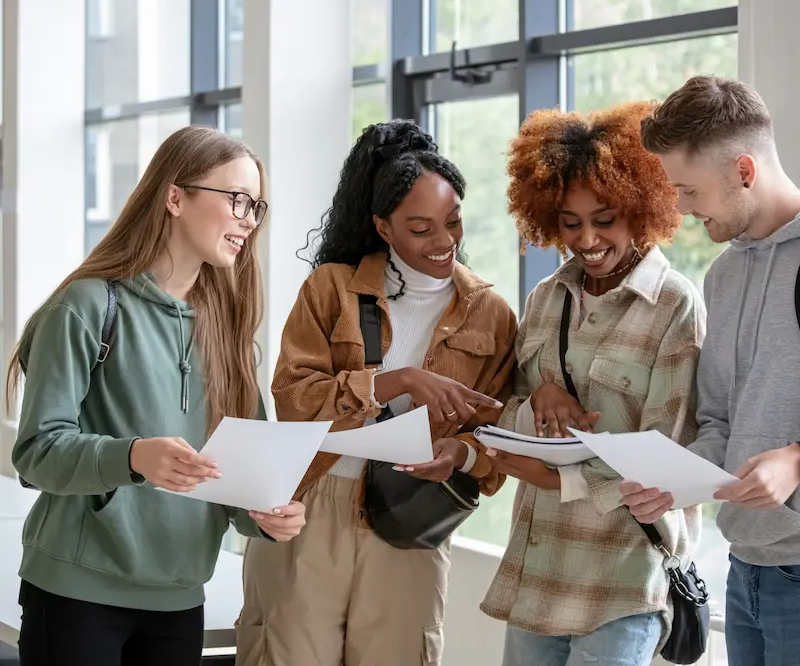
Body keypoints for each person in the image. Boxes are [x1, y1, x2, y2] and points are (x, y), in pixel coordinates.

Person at [7, 126, 306, 666]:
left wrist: (263, 513)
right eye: (236, 199)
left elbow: (238, 473)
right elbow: (36, 454)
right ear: (175, 198)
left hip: (179, 600)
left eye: (256, 206)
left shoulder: (227, 330)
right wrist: (133, 457)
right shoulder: (86, 306)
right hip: (75, 594)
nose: (248, 219)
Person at [235, 119, 517, 666]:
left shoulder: (492, 314)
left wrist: (460, 453)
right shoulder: (331, 289)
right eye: (421, 229)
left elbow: (498, 431)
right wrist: (398, 380)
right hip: (313, 502)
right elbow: (292, 398)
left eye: (452, 222)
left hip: (413, 515)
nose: (444, 242)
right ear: (384, 227)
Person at [480, 102, 706, 666]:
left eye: (604, 219)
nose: (587, 238)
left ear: (639, 209)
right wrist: (538, 398)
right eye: (570, 222)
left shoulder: (674, 306)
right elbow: (502, 411)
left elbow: (667, 456)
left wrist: (558, 479)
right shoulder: (545, 299)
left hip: (622, 580)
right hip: (539, 572)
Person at [622, 76, 800, 666]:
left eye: (689, 190)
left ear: (744, 171)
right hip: (745, 570)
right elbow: (720, 420)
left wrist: (796, 459)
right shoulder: (722, 277)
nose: (680, 208)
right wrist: (673, 483)